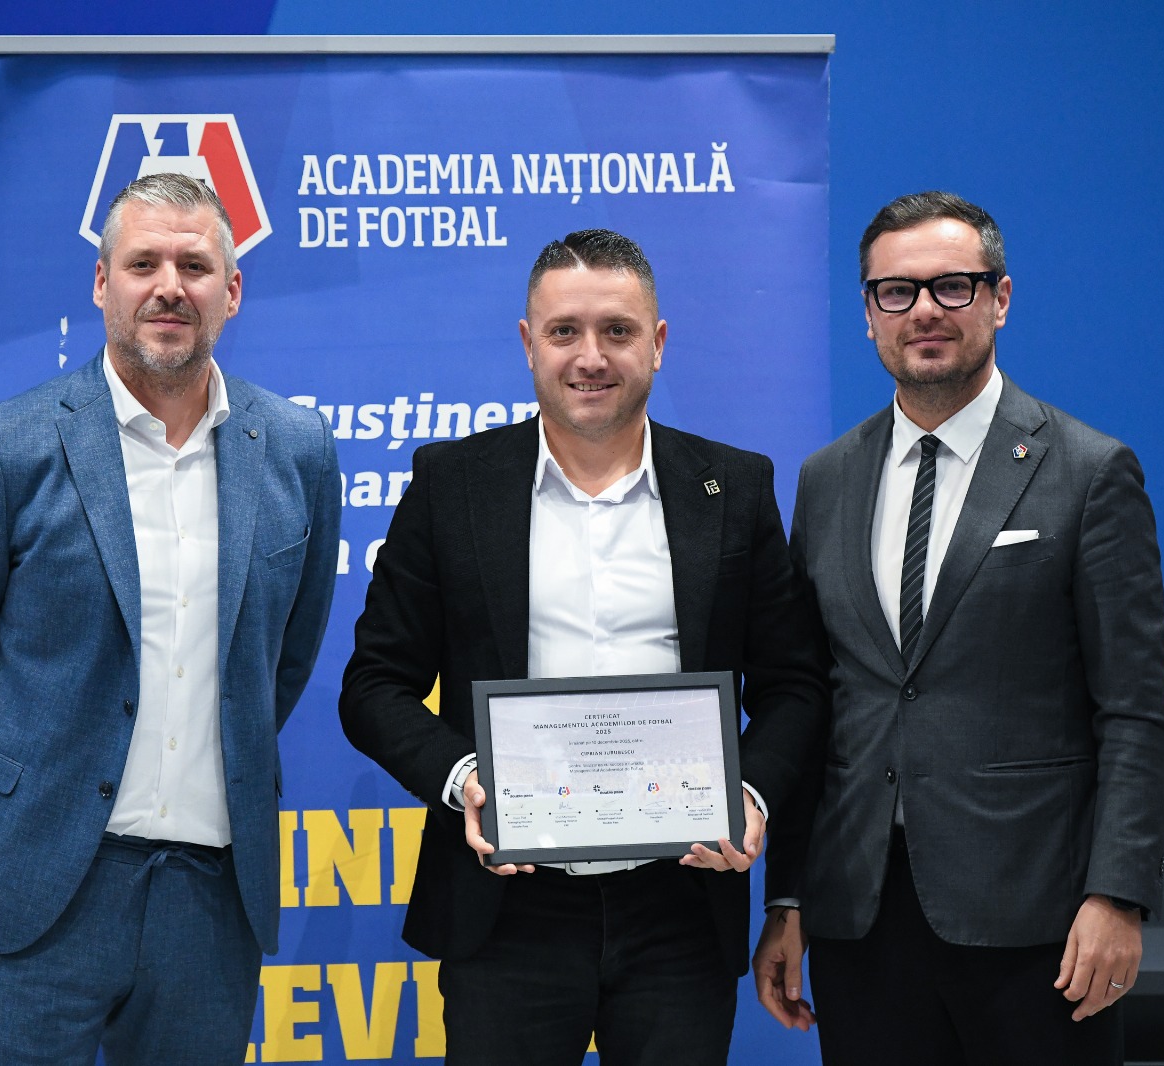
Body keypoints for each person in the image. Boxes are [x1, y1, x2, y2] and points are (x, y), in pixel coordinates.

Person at [339, 229, 826, 1065]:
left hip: (681, 905)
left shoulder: (733, 488)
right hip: (507, 911)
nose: (591, 357)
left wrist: (747, 793)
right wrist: (466, 781)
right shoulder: (452, 485)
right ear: (528, 344)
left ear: (658, 343)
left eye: (617, 331)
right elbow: (374, 684)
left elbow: (795, 685)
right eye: (564, 331)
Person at [0, 171, 340, 1065]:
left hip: (209, 898)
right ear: (103, 283)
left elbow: (283, 661)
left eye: (195, 266)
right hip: (37, 883)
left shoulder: (297, 452)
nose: (169, 287)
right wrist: (30, 791)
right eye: (143, 264)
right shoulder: (4, 451)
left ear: (233, 290)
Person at [753, 191, 1164, 1065]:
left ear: (1000, 298)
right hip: (861, 919)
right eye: (896, 292)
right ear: (869, 313)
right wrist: (787, 897)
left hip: (1040, 923)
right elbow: (815, 700)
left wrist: (1118, 896)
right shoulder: (825, 479)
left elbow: (1135, 711)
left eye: (953, 286)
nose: (924, 312)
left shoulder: (1089, 471)